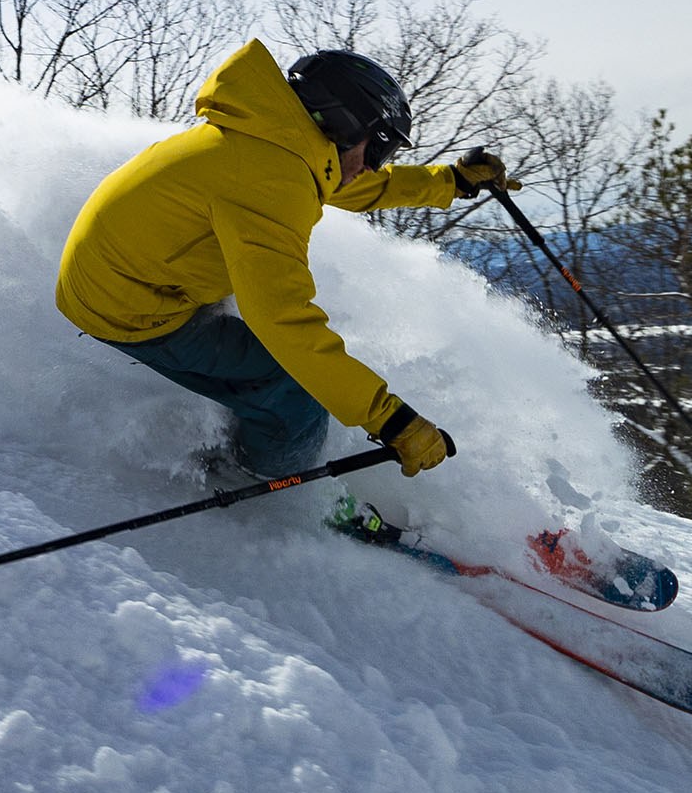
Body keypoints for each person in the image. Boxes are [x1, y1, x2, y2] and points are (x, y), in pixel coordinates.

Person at [55, 38, 515, 481]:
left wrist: (451, 182)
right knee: (296, 392)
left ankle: (248, 441)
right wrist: (390, 419)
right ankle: (261, 484)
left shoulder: (267, 140)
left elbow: (355, 185)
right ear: (343, 124)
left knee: (277, 360)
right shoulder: (269, 181)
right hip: (130, 307)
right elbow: (281, 319)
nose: (375, 164)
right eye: (378, 147)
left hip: (121, 281)